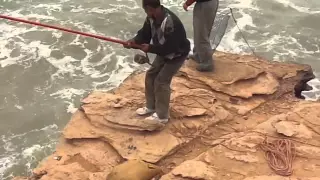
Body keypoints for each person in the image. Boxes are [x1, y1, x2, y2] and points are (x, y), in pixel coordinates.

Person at [124, 0, 190, 123]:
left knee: (161, 82)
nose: (146, 13)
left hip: (177, 53)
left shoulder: (170, 22)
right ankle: (151, 106)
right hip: (162, 50)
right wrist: (133, 42)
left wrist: (151, 48)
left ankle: (162, 116)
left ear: (149, 8)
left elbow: (171, 47)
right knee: (151, 75)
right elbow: (144, 35)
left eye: (145, 10)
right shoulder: (151, 17)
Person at [183, 0, 219, 72]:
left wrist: (187, 3)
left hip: (205, 4)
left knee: (201, 33)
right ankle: (198, 55)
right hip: (209, 3)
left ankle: (207, 63)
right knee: (201, 31)